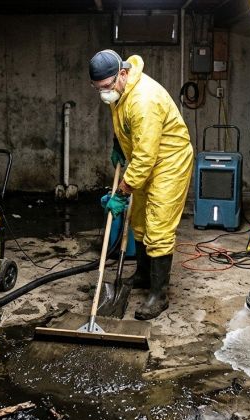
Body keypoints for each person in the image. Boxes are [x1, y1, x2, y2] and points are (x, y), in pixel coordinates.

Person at [89, 49, 194, 320]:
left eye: (106, 87)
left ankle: (159, 295)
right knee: (139, 220)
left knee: (158, 227)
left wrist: (123, 192)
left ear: (122, 74)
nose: (104, 93)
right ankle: (145, 275)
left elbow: (146, 157)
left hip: (169, 161)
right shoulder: (120, 90)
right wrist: (118, 143)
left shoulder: (144, 99)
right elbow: (123, 122)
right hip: (144, 157)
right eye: (98, 88)